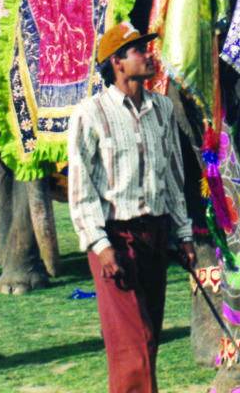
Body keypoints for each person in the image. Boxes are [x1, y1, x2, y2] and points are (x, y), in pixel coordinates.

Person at [68, 21, 196, 393]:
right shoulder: (90, 114)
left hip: (154, 233)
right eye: (139, 49)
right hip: (114, 238)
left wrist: (183, 234)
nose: (148, 54)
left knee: (149, 337)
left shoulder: (161, 109)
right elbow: (81, 187)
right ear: (117, 63)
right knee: (132, 342)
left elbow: (173, 176)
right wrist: (100, 244)